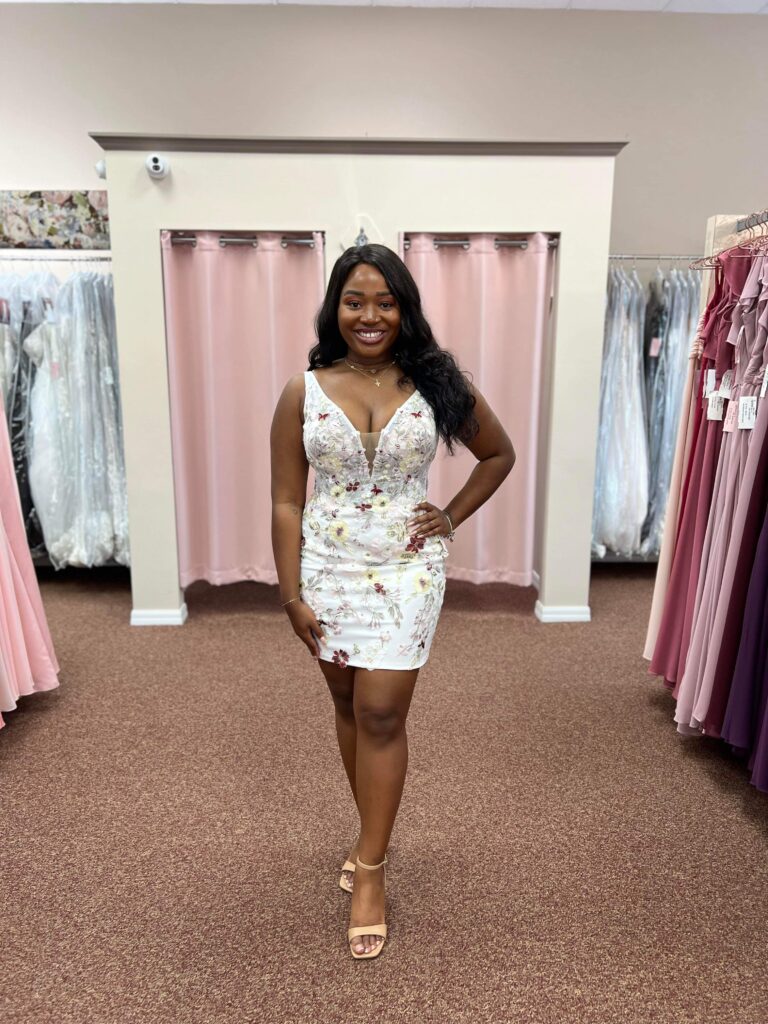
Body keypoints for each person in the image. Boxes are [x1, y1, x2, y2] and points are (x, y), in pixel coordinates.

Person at [270, 244, 515, 959]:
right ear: (335, 309)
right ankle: (368, 833)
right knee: (347, 705)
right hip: (328, 568)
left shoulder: (438, 382)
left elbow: (497, 454)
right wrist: (289, 592)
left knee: (381, 709)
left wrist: (451, 515)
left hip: (407, 570)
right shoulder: (303, 390)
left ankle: (371, 870)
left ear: (404, 308)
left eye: (385, 301)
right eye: (355, 301)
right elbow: (288, 500)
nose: (370, 315)